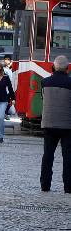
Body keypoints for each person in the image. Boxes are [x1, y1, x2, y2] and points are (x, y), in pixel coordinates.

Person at [39, 55, 71, 193]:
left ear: (53, 67)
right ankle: (68, 186)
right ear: (68, 69)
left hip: (48, 124)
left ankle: (45, 185)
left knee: (47, 156)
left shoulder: (45, 82)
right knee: (68, 157)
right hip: (67, 126)